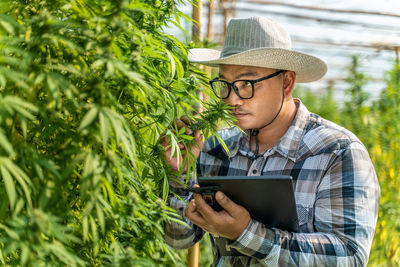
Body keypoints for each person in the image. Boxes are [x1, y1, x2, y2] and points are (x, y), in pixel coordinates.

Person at [163, 16, 379, 266]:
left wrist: (246, 233)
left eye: (247, 84)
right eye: (225, 84)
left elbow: (350, 256)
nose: (232, 100)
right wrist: (179, 175)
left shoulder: (336, 152)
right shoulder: (214, 149)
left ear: (286, 83)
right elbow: (179, 239)